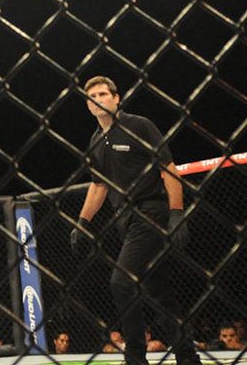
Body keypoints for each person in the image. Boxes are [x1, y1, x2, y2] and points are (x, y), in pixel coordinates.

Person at [69, 76, 200, 365]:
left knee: (121, 282)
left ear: (116, 98)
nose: (97, 99)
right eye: (92, 96)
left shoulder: (139, 125)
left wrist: (177, 212)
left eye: (103, 94)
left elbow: (168, 168)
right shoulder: (95, 141)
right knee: (158, 291)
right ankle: (188, 357)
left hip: (150, 212)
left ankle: (135, 357)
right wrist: (82, 222)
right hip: (125, 219)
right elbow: (99, 186)